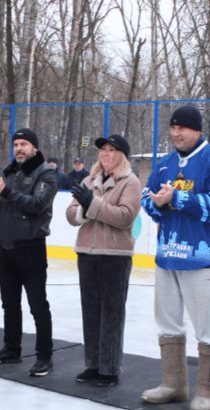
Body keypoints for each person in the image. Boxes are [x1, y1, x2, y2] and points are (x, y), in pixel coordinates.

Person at [140, 105, 210, 410]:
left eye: (183, 128)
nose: (176, 133)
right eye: (173, 127)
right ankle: (173, 383)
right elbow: (146, 197)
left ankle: (208, 389)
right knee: (167, 322)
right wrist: (158, 204)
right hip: (167, 257)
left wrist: (176, 199)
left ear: (197, 130)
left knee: (207, 330)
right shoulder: (165, 163)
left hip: (201, 259)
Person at [0, 128, 58, 377]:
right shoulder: (8, 172)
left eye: (24, 144)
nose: (19, 149)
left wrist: (3, 191)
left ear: (34, 147)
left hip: (31, 246)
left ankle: (44, 356)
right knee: (9, 303)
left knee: (37, 304)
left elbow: (36, 205)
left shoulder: (47, 173)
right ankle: (11, 348)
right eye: (15, 144)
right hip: (6, 245)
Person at [66, 134, 141, 387]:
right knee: (91, 312)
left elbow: (125, 217)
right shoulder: (90, 179)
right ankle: (93, 365)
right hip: (87, 252)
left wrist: (92, 204)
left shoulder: (131, 182)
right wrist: (85, 209)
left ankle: (109, 369)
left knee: (111, 313)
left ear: (121, 155)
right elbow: (70, 213)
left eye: (111, 150)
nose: (105, 154)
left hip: (115, 257)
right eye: (103, 150)